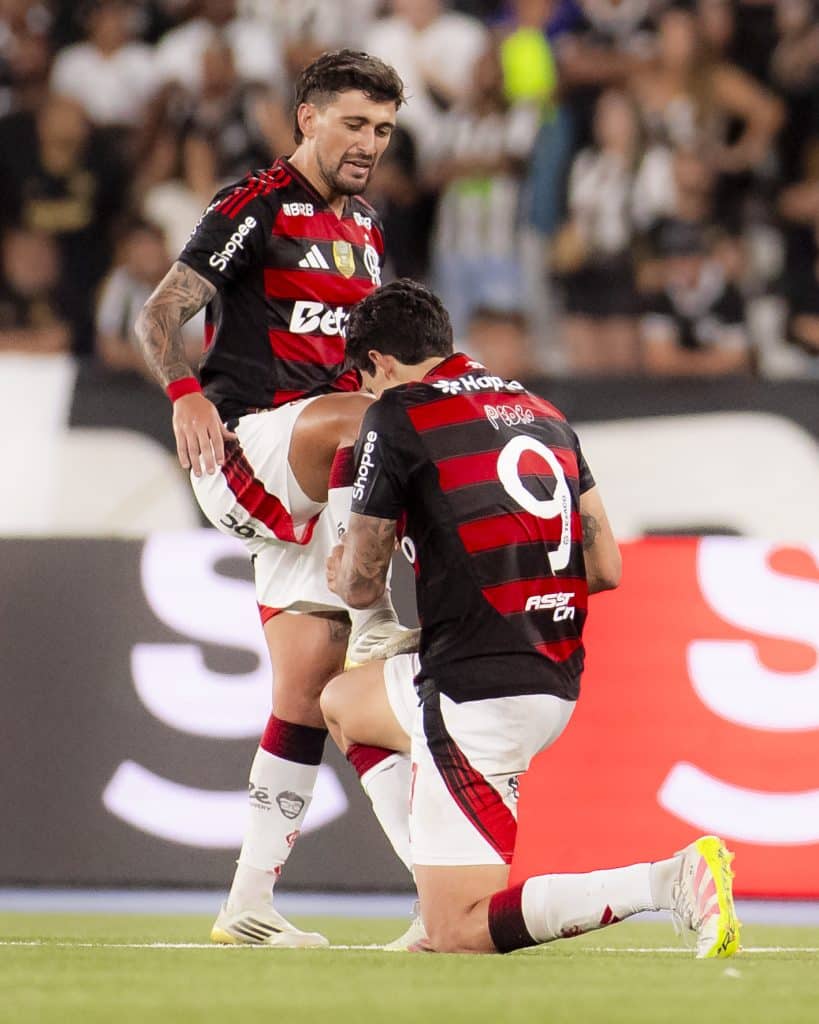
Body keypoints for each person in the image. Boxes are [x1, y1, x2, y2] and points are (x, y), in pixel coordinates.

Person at [324, 278, 740, 958]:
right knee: (344, 702)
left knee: (459, 933)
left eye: (363, 377)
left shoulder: (398, 412)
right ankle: (432, 888)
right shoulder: (541, 410)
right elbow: (605, 567)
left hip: (474, 687)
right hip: (552, 675)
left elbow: (363, 578)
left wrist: (341, 561)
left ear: (380, 364)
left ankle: (666, 880)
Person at [135, 50, 416, 948]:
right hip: (246, 450)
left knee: (311, 695)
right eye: (353, 124)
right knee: (369, 421)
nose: (369, 143)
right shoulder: (253, 205)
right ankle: (378, 615)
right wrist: (183, 396)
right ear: (306, 118)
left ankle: (257, 903)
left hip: (316, 481)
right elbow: (158, 314)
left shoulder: (367, 228)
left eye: (382, 128)